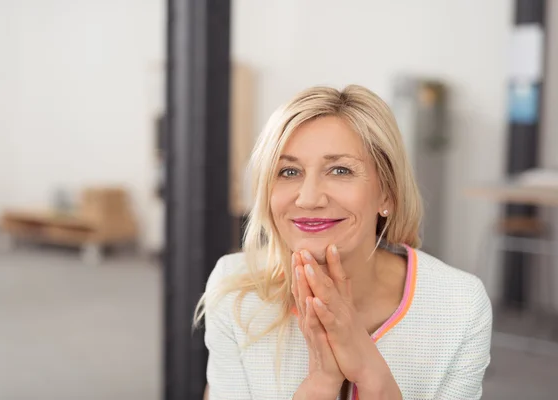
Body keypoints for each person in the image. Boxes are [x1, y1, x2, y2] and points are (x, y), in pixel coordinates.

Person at [195, 85, 492, 400]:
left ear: (387, 193)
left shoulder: (460, 305)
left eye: (340, 170)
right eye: (289, 171)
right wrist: (322, 383)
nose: (309, 198)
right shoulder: (235, 288)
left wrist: (370, 372)